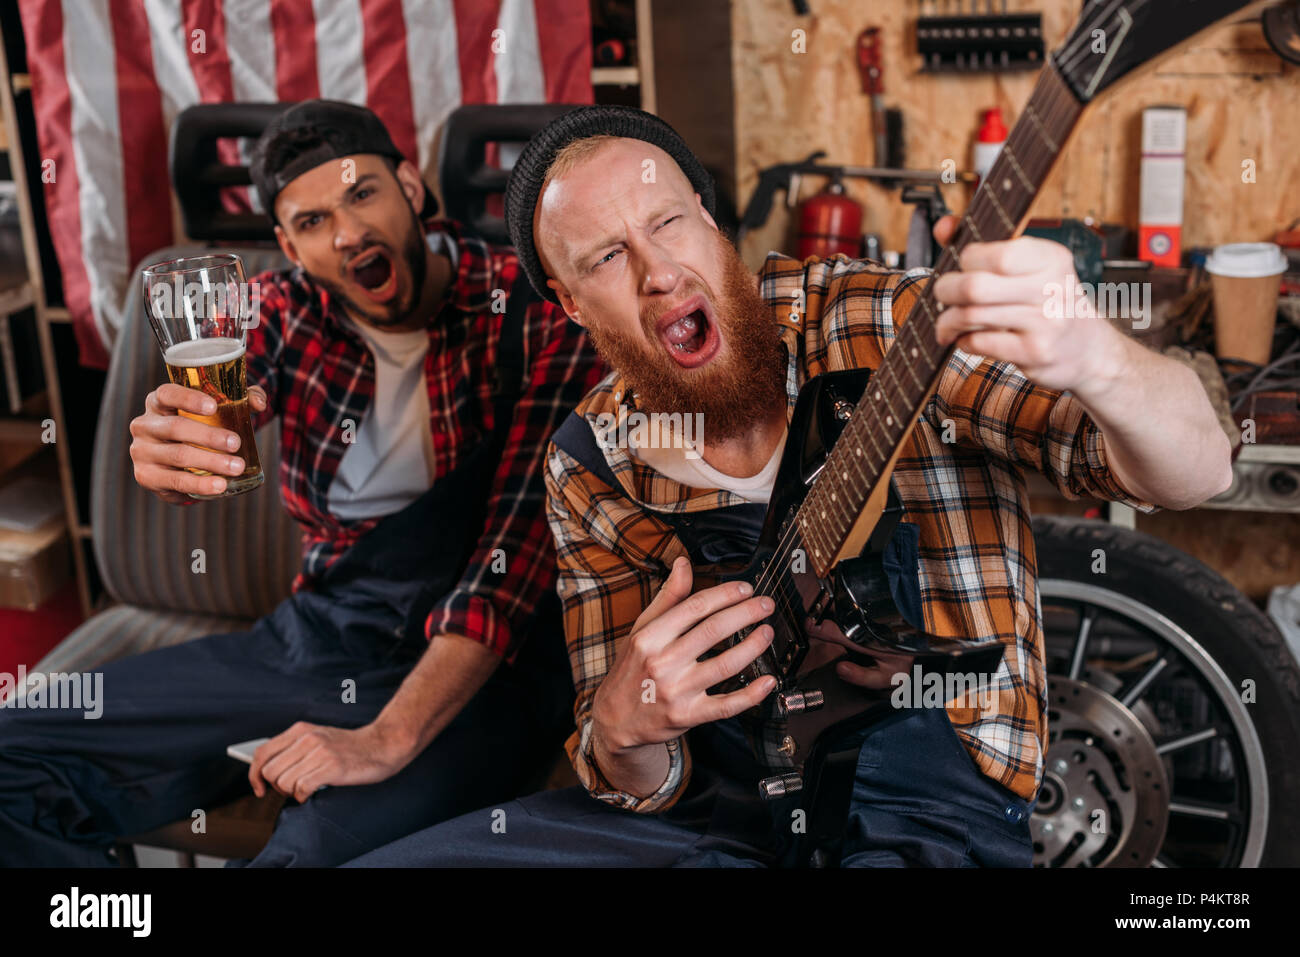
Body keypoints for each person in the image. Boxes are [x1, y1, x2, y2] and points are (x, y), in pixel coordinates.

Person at [342, 105, 1233, 867]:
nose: (658, 273)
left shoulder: (886, 325)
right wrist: (621, 731)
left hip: (926, 810)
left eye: (666, 223)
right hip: (719, 820)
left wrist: (1099, 360)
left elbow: (1200, 469)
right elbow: (638, 786)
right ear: (571, 305)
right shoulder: (592, 459)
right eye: (607, 258)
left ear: (708, 216)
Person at [0, 100, 604, 867]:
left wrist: (385, 737)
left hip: (489, 667)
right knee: (11, 755)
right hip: (325, 636)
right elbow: (234, 389)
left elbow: (513, 561)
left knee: (313, 854)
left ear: (412, 188)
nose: (348, 233)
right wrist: (177, 445)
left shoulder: (533, 306)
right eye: (313, 221)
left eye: (362, 194)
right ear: (287, 245)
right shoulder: (284, 310)